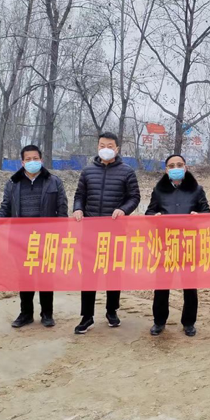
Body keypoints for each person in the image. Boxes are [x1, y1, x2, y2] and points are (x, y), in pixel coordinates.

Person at [0, 144, 68, 328]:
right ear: (22, 162)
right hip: (21, 239)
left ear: (41, 160)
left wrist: (61, 235)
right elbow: (6, 207)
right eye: (28, 159)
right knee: (25, 277)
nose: (32, 162)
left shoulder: (54, 182)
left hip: (46, 238)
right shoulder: (12, 183)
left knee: (46, 277)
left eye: (35, 158)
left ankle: (47, 313)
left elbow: (62, 210)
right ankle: (26, 313)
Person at [72, 132, 141, 335]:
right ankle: (87, 316)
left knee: (113, 272)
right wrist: (78, 208)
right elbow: (79, 195)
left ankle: (112, 311)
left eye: (110, 146)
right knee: (89, 274)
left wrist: (124, 209)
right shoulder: (87, 171)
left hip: (115, 230)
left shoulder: (127, 172)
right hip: (90, 230)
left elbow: (134, 197)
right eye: (102, 145)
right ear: (97, 147)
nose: (106, 149)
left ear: (117, 149)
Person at [145, 154, 210, 337]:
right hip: (165, 244)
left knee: (189, 286)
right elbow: (149, 213)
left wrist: (199, 216)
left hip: (189, 245)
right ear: (166, 170)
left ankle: (189, 322)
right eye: (172, 165)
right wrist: (154, 217)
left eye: (179, 165)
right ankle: (159, 321)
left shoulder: (196, 190)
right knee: (162, 285)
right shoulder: (159, 190)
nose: (176, 168)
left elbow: (207, 213)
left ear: (185, 167)